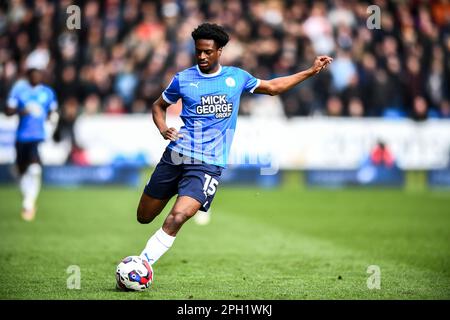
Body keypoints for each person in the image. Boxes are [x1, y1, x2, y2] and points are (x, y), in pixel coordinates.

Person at [136, 23, 332, 267]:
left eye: (208, 51)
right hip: (176, 156)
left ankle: (142, 264)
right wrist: (163, 128)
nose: (202, 56)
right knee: (144, 216)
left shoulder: (236, 77)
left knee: (178, 216)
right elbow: (158, 106)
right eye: (198, 51)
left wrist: (310, 72)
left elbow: (273, 88)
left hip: (208, 163)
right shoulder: (183, 79)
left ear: (220, 51)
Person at [4, 49, 58, 221]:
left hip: (37, 137)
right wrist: (22, 110)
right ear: (29, 74)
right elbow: (8, 110)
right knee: (21, 171)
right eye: (33, 72)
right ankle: (27, 199)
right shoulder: (19, 89)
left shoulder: (48, 93)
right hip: (22, 137)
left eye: (39, 73)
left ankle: (28, 204)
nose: (36, 76)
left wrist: (53, 119)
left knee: (34, 169)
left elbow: (53, 111)